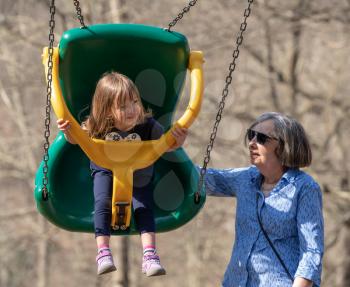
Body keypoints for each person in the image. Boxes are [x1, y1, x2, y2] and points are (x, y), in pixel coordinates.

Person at [57, 72, 188, 277]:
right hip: (105, 171)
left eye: (135, 102)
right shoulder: (97, 125)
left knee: (143, 206)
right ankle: (103, 251)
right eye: (123, 106)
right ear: (107, 110)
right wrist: (67, 132)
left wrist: (177, 141)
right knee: (102, 203)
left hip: (139, 174)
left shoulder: (148, 126)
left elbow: (167, 146)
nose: (132, 110)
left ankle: (150, 255)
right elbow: (77, 140)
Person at [201, 112, 324, 287]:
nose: (252, 143)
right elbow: (199, 179)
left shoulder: (305, 187)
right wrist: (173, 147)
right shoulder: (245, 178)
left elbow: (311, 251)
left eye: (261, 138)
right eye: (251, 135)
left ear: (284, 146)